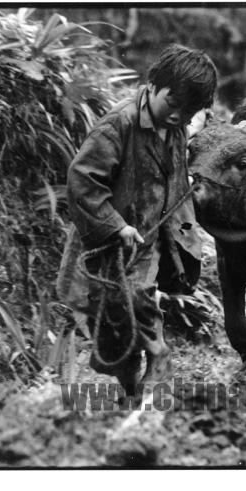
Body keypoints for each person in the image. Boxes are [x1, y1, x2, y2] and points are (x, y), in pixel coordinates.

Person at [56, 44, 217, 395]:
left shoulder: (177, 126)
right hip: (107, 238)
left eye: (188, 111)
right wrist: (117, 225)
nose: (178, 116)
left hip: (148, 239)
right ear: (154, 84)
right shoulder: (119, 124)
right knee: (108, 323)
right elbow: (83, 180)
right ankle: (130, 388)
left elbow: (176, 166)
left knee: (135, 298)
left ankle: (159, 355)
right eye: (173, 104)